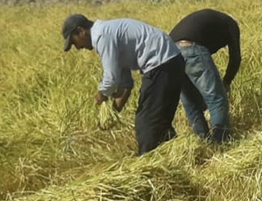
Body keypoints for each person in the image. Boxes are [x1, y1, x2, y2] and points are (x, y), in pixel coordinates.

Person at [62, 14, 208, 155]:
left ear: (81, 31)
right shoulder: (108, 33)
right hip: (170, 61)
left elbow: (111, 78)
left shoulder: (102, 36)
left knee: (146, 121)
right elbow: (125, 83)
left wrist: (101, 95)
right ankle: (176, 155)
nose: (77, 47)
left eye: (74, 42)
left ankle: (148, 161)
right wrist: (113, 112)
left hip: (161, 64)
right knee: (159, 119)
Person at [168, 8, 240, 143]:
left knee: (192, 103)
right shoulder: (231, 24)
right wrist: (227, 82)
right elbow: (235, 57)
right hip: (190, 47)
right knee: (217, 98)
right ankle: (221, 142)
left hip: (169, 55)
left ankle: (202, 142)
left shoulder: (211, 21)